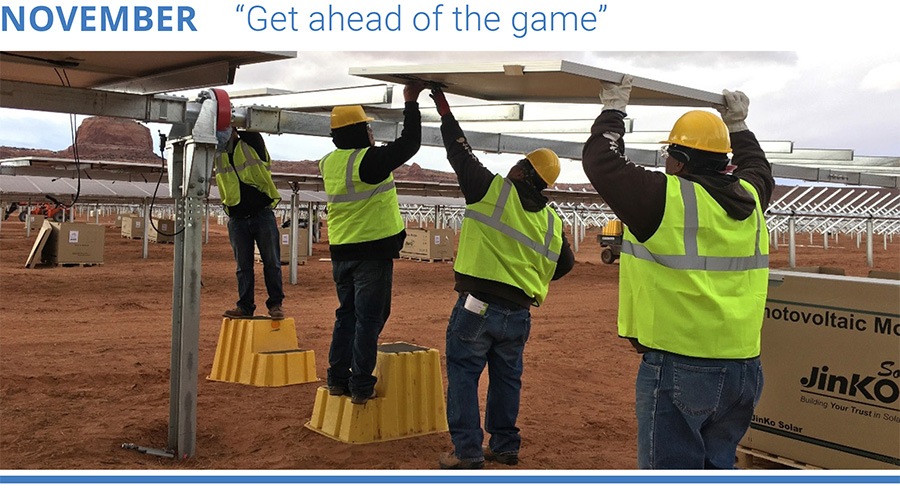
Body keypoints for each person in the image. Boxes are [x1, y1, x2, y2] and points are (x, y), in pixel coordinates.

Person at [582, 76, 774, 469]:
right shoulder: (751, 197)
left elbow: (602, 162)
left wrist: (614, 110)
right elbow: (758, 166)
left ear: (681, 161)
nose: (666, 164)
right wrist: (738, 127)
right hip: (743, 367)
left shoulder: (667, 197)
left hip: (684, 366)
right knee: (716, 467)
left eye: (670, 155)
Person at [430, 88, 575, 469]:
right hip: (518, 313)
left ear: (524, 172)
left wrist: (442, 107)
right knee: (507, 379)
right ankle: (505, 446)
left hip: (476, 307)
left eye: (519, 163)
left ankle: (467, 452)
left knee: (463, 376)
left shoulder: (491, 190)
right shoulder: (551, 222)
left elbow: (459, 153)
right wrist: (526, 271)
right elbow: (564, 265)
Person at [320, 82, 425, 405]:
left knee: (347, 315)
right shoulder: (366, 162)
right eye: (366, 127)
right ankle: (361, 384)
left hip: (343, 252)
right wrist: (411, 102)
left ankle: (338, 378)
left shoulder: (330, 162)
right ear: (356, 131)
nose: (371, 132)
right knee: (369, 319)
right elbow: (410, 143)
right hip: (371, 254)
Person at [215, 125, 285, 320]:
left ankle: (276, 304)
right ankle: (245, 306)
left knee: (271, 262)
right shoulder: (217, 154)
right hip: (237, 218)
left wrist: (229, 123)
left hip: (261, 214)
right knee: (243, 266)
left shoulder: (252, 143)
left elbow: (253, 128)